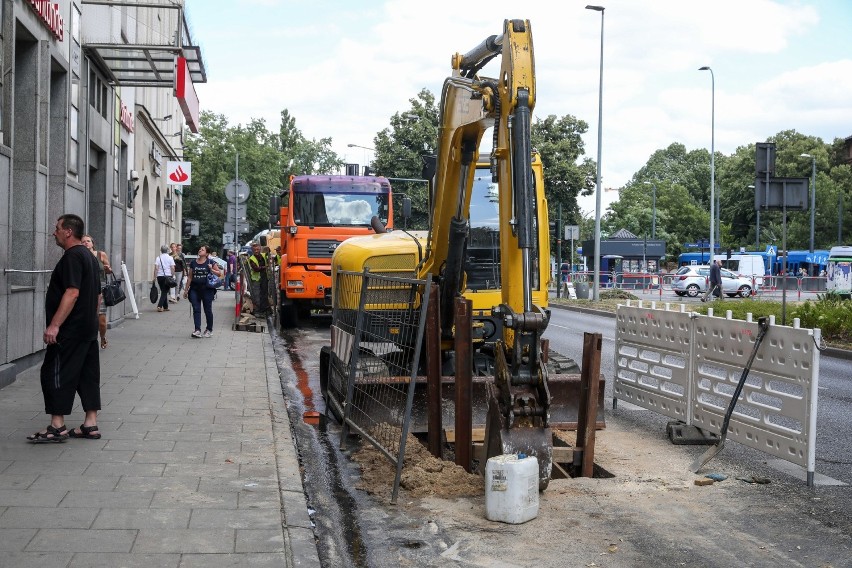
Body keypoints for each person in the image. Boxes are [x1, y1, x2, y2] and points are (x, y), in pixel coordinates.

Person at [28, 214, 102, 443]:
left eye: (57, 228)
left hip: (70, 331)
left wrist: (54, 325)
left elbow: (72, 292)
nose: (54, 232)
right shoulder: (90, 257)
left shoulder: (72, 257)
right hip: (88, 329)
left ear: (68, 231)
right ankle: (90, 424)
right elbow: (97, 297)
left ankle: (57, 426)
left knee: (54, 372)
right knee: (86, 375)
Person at [184, 245, 224, 338]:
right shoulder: (193, 263)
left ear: (207, 253)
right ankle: (197, 330)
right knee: (196, 309)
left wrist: (211, 269)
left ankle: (209, 329)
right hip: (194, 289)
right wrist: (186, 290)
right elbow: (190, 277)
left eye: (202, 250)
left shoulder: (211, 262)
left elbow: (219, 274)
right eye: (200, 249)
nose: (200, 250)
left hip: (207, 290)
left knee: (207, 310)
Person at [81, 235, 112, 349]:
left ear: (92, 243)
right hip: (85, 290)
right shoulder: (80, 256)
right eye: (83, 241)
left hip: (101, 289)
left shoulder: (101, 254)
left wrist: (108, 269)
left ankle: (102, 336)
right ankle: (89, 341)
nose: (86, 243)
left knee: (102, 321)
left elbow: (108, 270)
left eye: (88, 241)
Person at [152, 245, 176, 312]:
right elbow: (172, 268)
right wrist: (173, 275)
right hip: (168, 276)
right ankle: (159, 306)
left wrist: (154, 277)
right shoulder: (170, 258)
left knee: (163, 290)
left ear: (161, 251)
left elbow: (156, 268)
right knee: (165, 291)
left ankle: (165, 307)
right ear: (168, 250)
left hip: (160, 277)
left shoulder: (158, 258)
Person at [248, 242, 270, 314]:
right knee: (257, 295)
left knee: (264, 294)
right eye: (255, 250)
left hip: (264, 277)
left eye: (257, 249)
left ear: (260, 248)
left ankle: (264, 309)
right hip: (256, 279)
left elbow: (268, 253)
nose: (256, 251)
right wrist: (265, 267)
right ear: (252, 250)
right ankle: (257, 310)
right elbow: (256, 269)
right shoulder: (252, 259)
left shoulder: (263, 255)